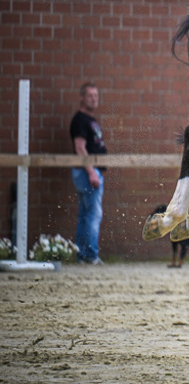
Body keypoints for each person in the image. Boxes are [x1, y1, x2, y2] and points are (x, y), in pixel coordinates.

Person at [70, 82, 106, 265]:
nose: (94, 98)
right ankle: (90, 255)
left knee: (85, 214)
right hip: (88, 173)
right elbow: (80, 148)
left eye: (96, 95)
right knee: (93, 213)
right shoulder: (80, 120)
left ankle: (82, 254)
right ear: (82, 97)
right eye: (90, 95)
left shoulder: (90, 120)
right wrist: (91, 172)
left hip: (89, 172)